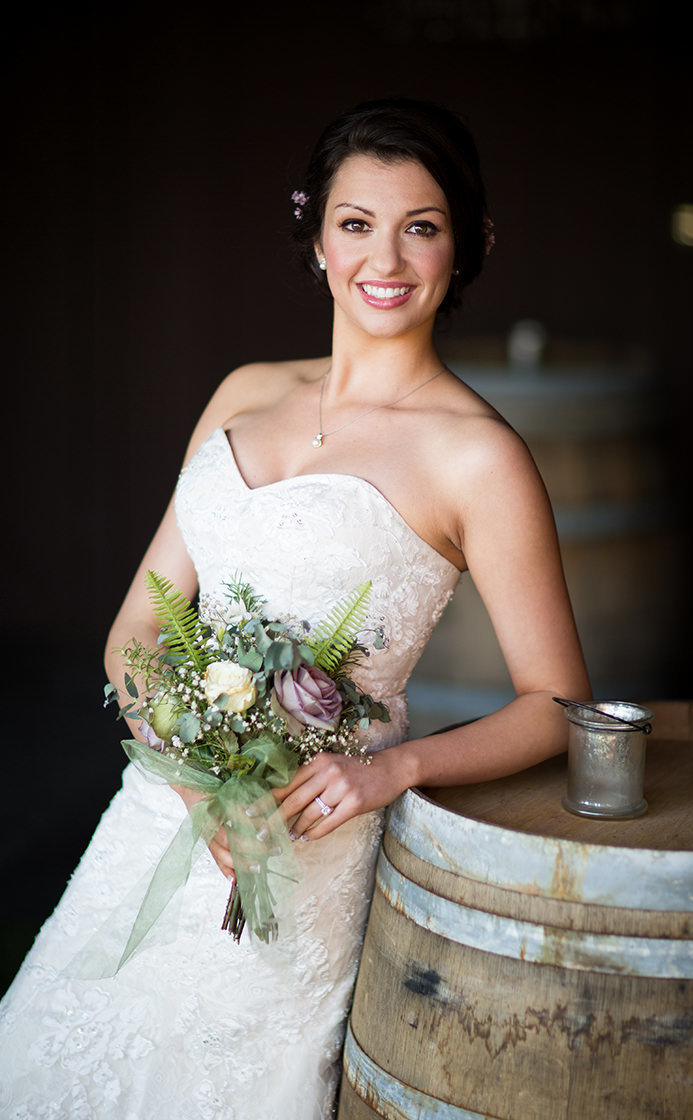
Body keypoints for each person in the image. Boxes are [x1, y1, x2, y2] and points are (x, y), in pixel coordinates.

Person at [0, 98, 591, 1119]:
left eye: (423, 224)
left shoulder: (478, 455)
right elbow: (138, 628)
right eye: (357, 221)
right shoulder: (243, 392)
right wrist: (197, 787)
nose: (387, 257)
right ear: (316, 234)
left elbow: (559, 701)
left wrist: (389, 768)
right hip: (159, 820)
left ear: (468, 246)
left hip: (306, 847)